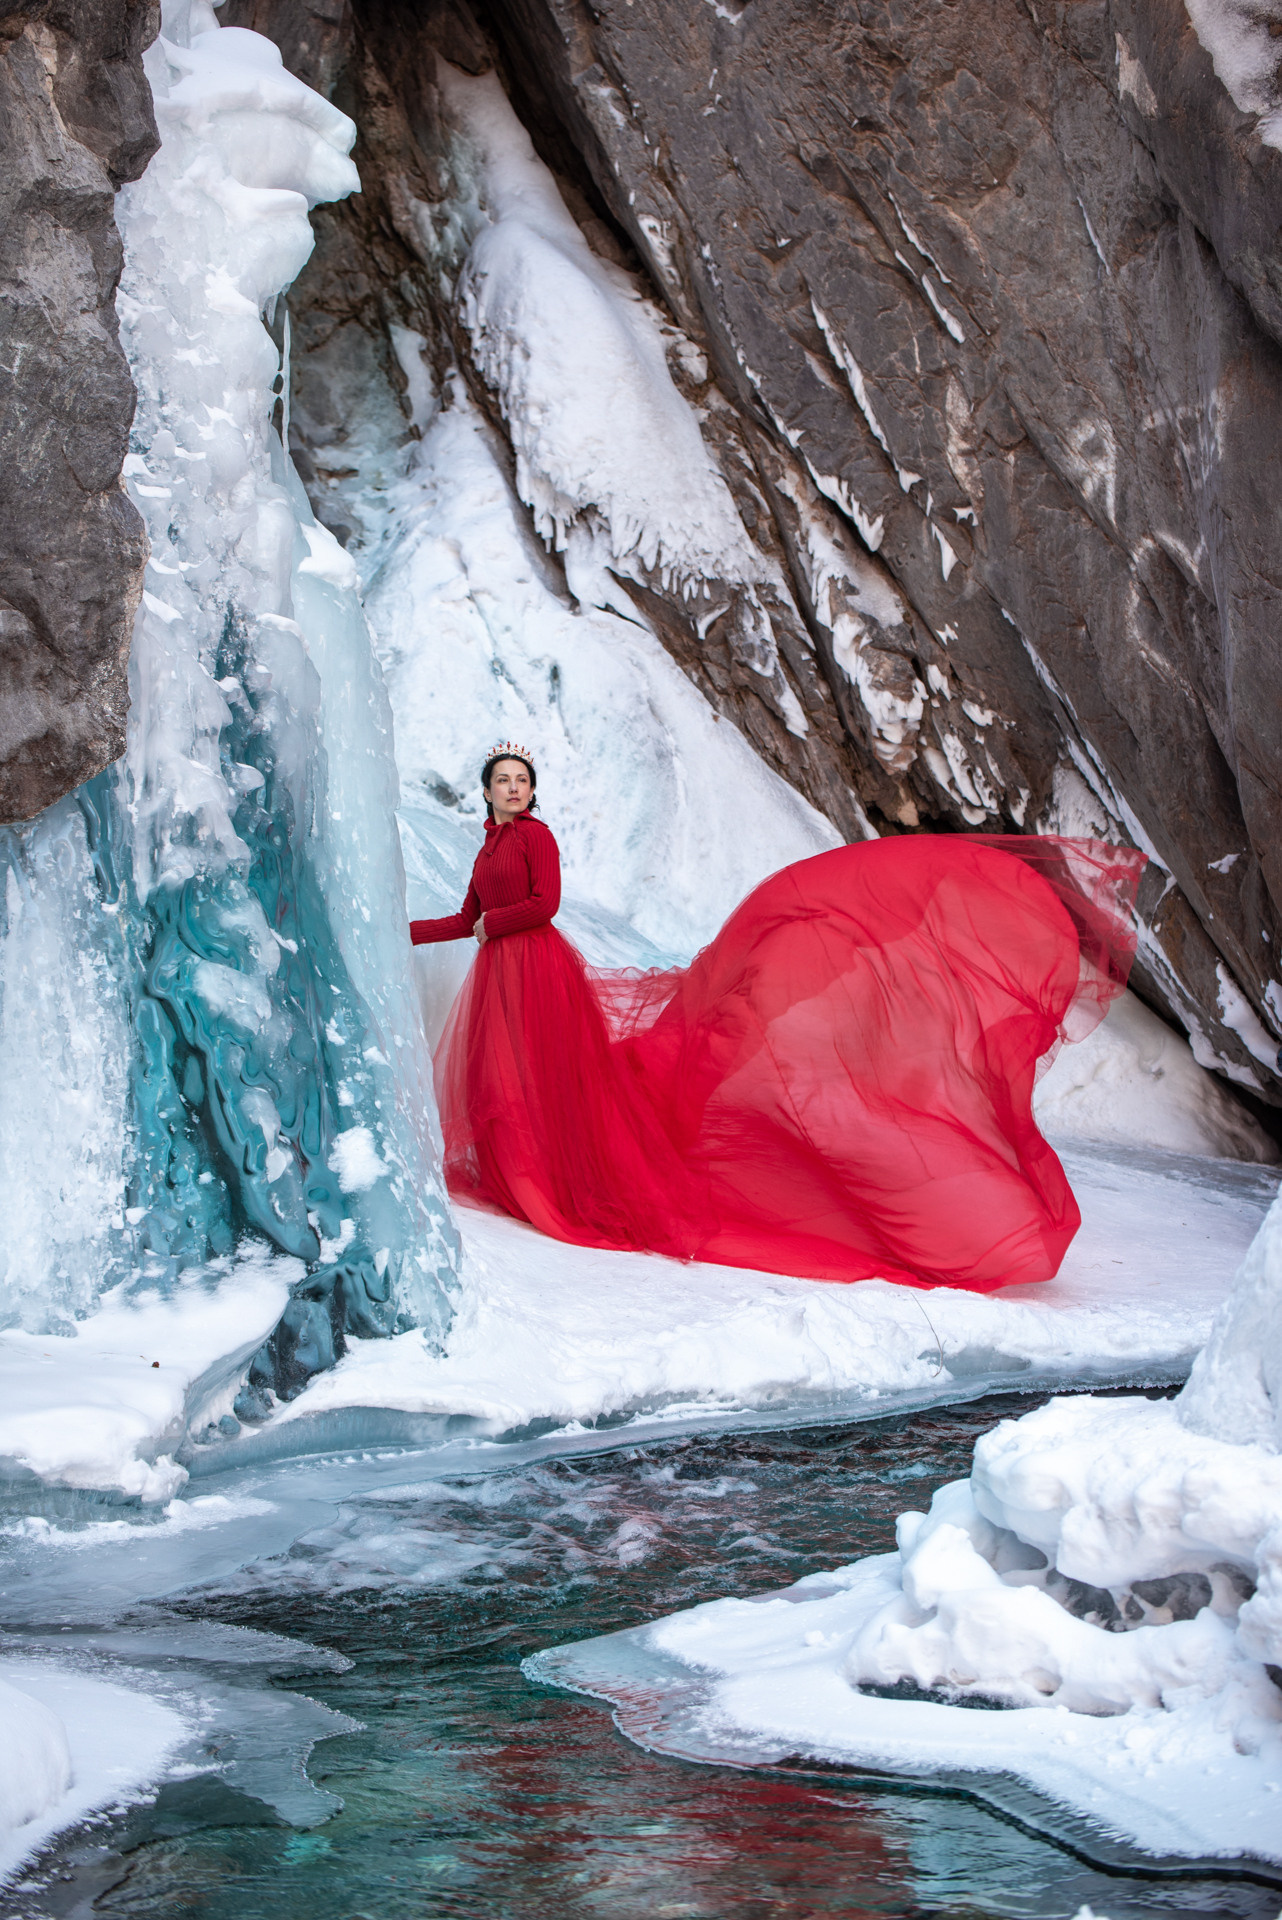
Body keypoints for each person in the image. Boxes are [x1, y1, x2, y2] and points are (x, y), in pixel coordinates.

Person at [410, 741, 1146, 1292]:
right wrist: (405, 930)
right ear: (488, 793)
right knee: (510, 1073)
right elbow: (466, 914)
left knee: (551, 1070)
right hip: (499, 967)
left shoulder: (536, 838)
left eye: (522, 781)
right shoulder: (488, 846)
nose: (513, 790)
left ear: (532, 793)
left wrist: (492, 930)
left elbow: (542, 907)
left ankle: (548, 1177)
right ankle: (521, 1170)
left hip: (535, 964)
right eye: (503, 782)